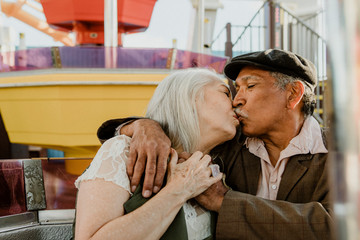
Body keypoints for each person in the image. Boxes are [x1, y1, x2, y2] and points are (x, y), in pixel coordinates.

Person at [97, 49, 334, 239]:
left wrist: (224, 200)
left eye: (250, 87)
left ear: (293, 94)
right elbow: (179, 128)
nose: (237, 100)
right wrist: (145, 126)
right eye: (236, 89)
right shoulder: (230, 143)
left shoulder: (343, 151)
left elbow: (338, 227)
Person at [74, 68, 239, 240]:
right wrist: (180, 189)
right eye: (226, 93)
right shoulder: (123, 151)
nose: (235, 102)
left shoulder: (220, 163)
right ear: (191, 98)